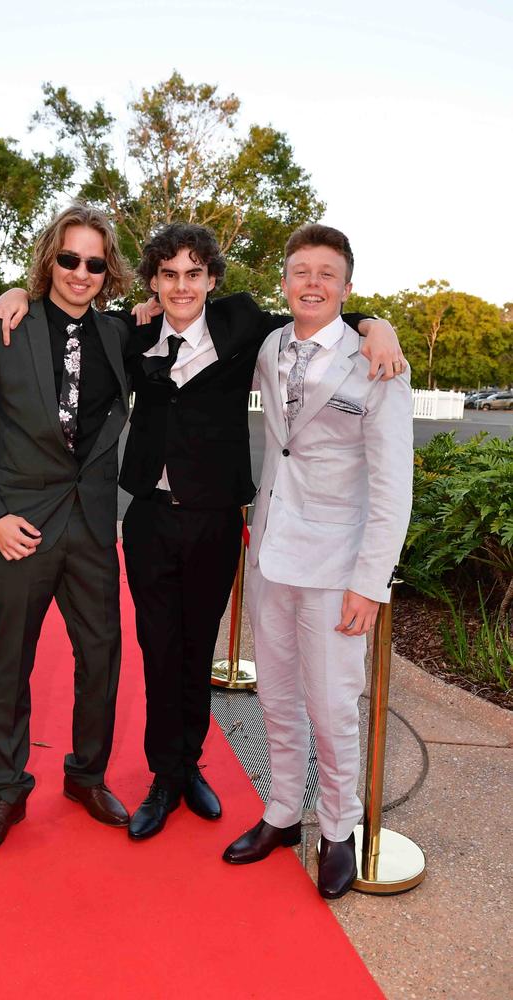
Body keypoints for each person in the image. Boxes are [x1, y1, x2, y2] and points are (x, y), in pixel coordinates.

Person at [0, 222, 405, 842]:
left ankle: (189, 768)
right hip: (149, 515)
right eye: (169, 274)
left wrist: (376, 325)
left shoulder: (245, 326)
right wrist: (20, 292)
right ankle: (161, 775)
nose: (182, 286)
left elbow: (320, 311)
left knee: (197, 647)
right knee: (158, 649)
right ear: (152, 280)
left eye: (194, 274)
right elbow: (70, 320)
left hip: (214, 517)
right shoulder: (132, 331)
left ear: (211, 280)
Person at [0, 203, 146, 857]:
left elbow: (209, 321)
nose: (79, 273)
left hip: (91, 525)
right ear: (48, 260)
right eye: (68, 259)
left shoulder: (119, 335)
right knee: (12, 661)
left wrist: (368, 324)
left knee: (102, 657)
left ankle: (86, 775)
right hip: (20, 528)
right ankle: (7, 788)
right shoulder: (7, 329)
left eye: (93, 262)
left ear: (106, 270)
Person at [222, 224, 413, 899]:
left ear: (347, 286)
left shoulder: (379, 362)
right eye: (300, 270)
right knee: (275, 693)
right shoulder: (272, 345)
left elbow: (393, 484)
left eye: (326, 273)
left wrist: (371, 582)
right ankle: (280, 813)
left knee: (333, 704)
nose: (312, 283)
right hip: (273, 550)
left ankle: (337, 829)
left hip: (339, 564)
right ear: (284, 282)